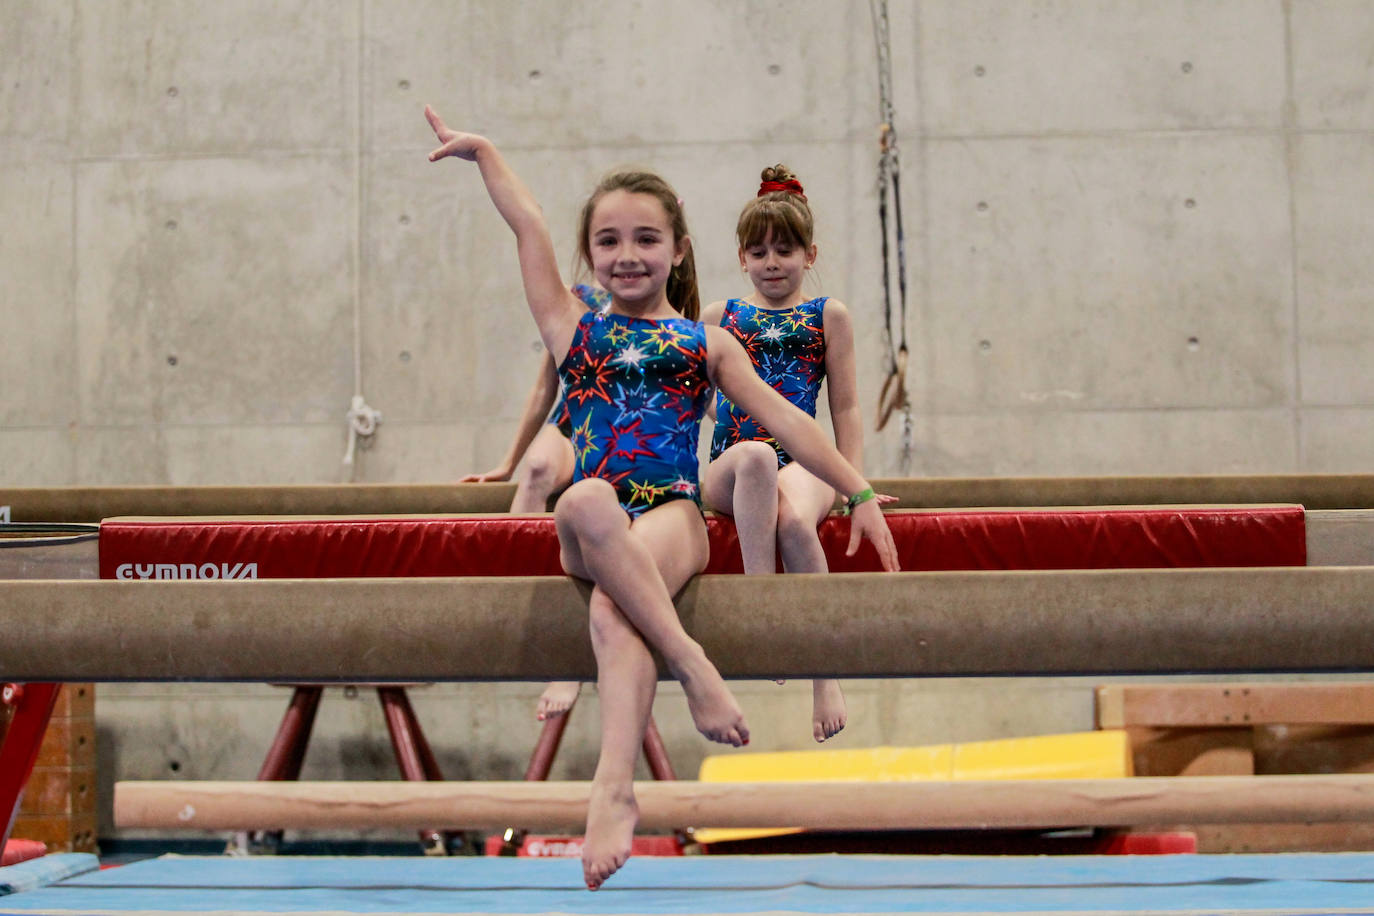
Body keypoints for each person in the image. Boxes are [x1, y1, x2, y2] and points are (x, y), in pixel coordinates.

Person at [426, 105, 898, 890]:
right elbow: (528, 225)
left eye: (647, 239)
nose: (627, 256)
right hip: (597, 521)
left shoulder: (705, 343)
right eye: (608, 241)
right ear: (589, 253)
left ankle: (612, 789)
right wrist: (485, 155)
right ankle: (691, 661)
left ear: (679, 249)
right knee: (583, 501)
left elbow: (789, 421)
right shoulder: (572, 328)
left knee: (614, 611)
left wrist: (861, 490)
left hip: (674, 514)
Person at [702, 165, 884, 743]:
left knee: (798, 526)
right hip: (733, 466)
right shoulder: (719, 317)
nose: (772, 262)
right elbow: (690, 403)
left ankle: (823, 672)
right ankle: (765, 615)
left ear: (810, 254)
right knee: (755, 456)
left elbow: (846, 407)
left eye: (785, 250)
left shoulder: (828, 315)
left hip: (804, 465)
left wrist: (855, 487)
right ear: (741, 257)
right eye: (759, 252)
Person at [461, 283, 610, 724]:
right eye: (606, 247)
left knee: (596, 505)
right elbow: (546, 386)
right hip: (571, 423)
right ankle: (514, 602)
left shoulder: (663, 298)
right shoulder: (575, 299)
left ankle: (571, 657)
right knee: (539, 467)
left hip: (622, 432)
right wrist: (509, 463)